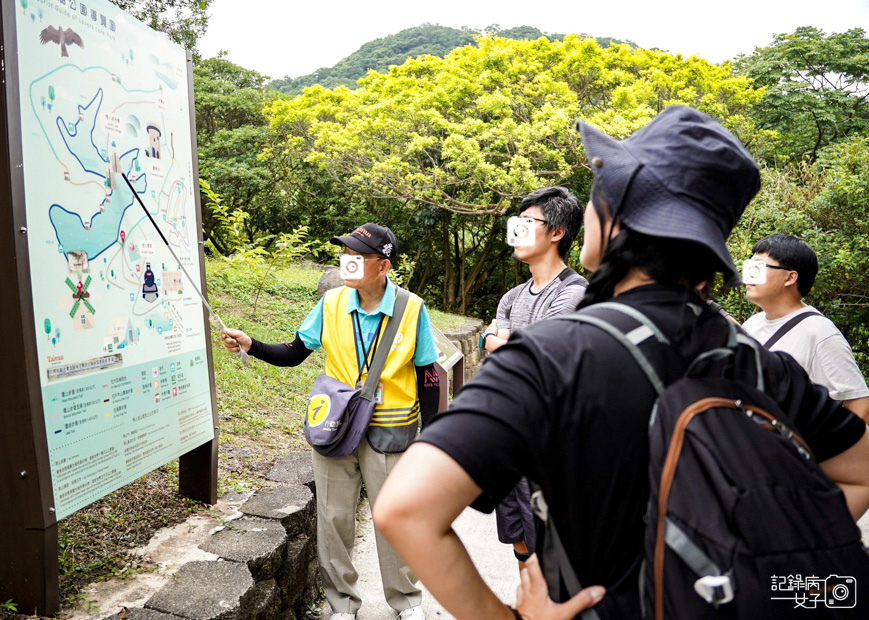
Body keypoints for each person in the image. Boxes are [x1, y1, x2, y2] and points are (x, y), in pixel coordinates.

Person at [371, 106, 869, 619]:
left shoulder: (550, 358)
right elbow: (860, 475)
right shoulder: (757, 361)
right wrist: (751, 567)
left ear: (617, 219)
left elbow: (405, 509)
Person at [221, 223, 439, 620]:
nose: (347, 262)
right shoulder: (332, 303)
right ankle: (342, 603)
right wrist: (251, 345)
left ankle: (407, 601)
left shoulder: (412, 308)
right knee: (334, 518)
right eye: (345, 255)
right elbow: (293, 352)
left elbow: (428, 373)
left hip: (391, 431)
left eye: (357, 256)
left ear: (382, 266)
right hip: (337, 427)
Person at [479, 186, 586, 570]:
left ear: (557, 232)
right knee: (518, 536)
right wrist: (496, 340)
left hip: (550, 443)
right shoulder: (511, 296)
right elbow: (506, 348)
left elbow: (530, 353)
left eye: (528, 223)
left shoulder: (574, 294)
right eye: (517, 222)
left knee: (552, 542)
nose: (518, 230)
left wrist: (493, 339)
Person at [743, 233, 869, 422]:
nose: (748, 275)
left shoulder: (820, 333)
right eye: (749, 266)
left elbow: (861, 406)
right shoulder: (752, 324)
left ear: (790, 278)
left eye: (758, 267)